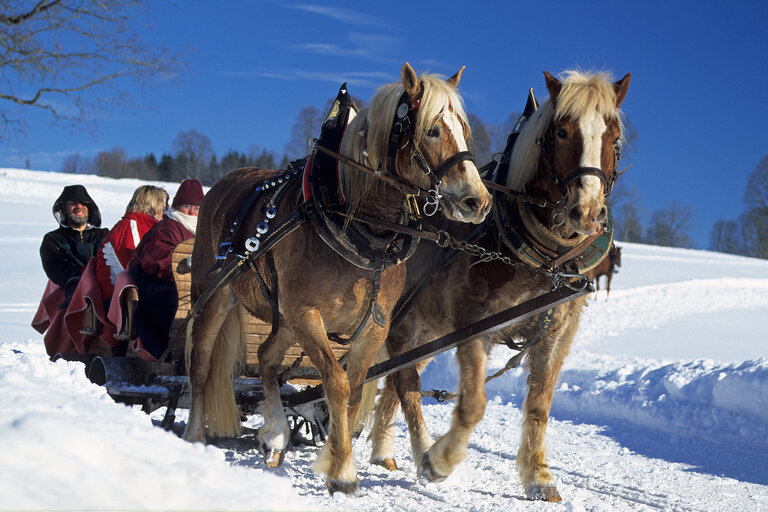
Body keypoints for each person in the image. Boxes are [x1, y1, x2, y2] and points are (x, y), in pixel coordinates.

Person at [128, 178, 204, 359]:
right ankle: (169, 354)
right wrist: (183, 267)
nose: (192, 212)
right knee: (172, 306)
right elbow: (158, 260)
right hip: (158, 285)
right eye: (187, 206)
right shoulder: (167, 228)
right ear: (177, 206)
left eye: (197, 208)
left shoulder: (202, 231)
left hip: (191, 288)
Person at [95, 185, 168, 303]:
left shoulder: (150, 228)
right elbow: (134, 266)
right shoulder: (129, 228)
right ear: (155, 207)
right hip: (117, 296)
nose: (164, 212)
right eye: (164, 208)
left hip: (135, 291)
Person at [40, 185, 109, 308]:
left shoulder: (105, 235)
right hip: (72, 294)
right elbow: (56, 270)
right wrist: (83, 273)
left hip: (105, 287)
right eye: (73, 203)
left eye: (83, 203)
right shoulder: (53, 240)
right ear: (64, 208)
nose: (79, 207)